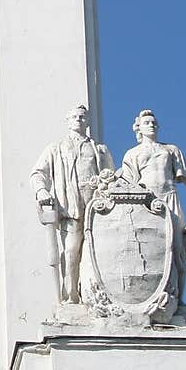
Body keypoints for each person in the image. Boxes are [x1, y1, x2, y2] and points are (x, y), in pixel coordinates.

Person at [120, 109, 186, 306]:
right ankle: (151, 296)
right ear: (139, 129)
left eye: (154, 122)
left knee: (177, 252)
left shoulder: (170, 150)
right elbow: (128, 183)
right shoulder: (133, 154)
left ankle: (179, 302)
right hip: (148, 203)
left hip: (170, 199)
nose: (151, 125)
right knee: (154, 251)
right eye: (146, 123)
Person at [31, 103, 114, 303]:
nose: (78, 120)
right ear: (67, 121)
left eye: (82, 117)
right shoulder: (56, 149)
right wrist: (42, 190)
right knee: (71, 250)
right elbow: (38, 173)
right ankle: (71, 295)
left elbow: (112, 177)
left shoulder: (99, 150)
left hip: (96, 206)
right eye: (75, 117)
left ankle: (95, 295)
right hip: (71, 206)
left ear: (87, 121)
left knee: (96, 251)